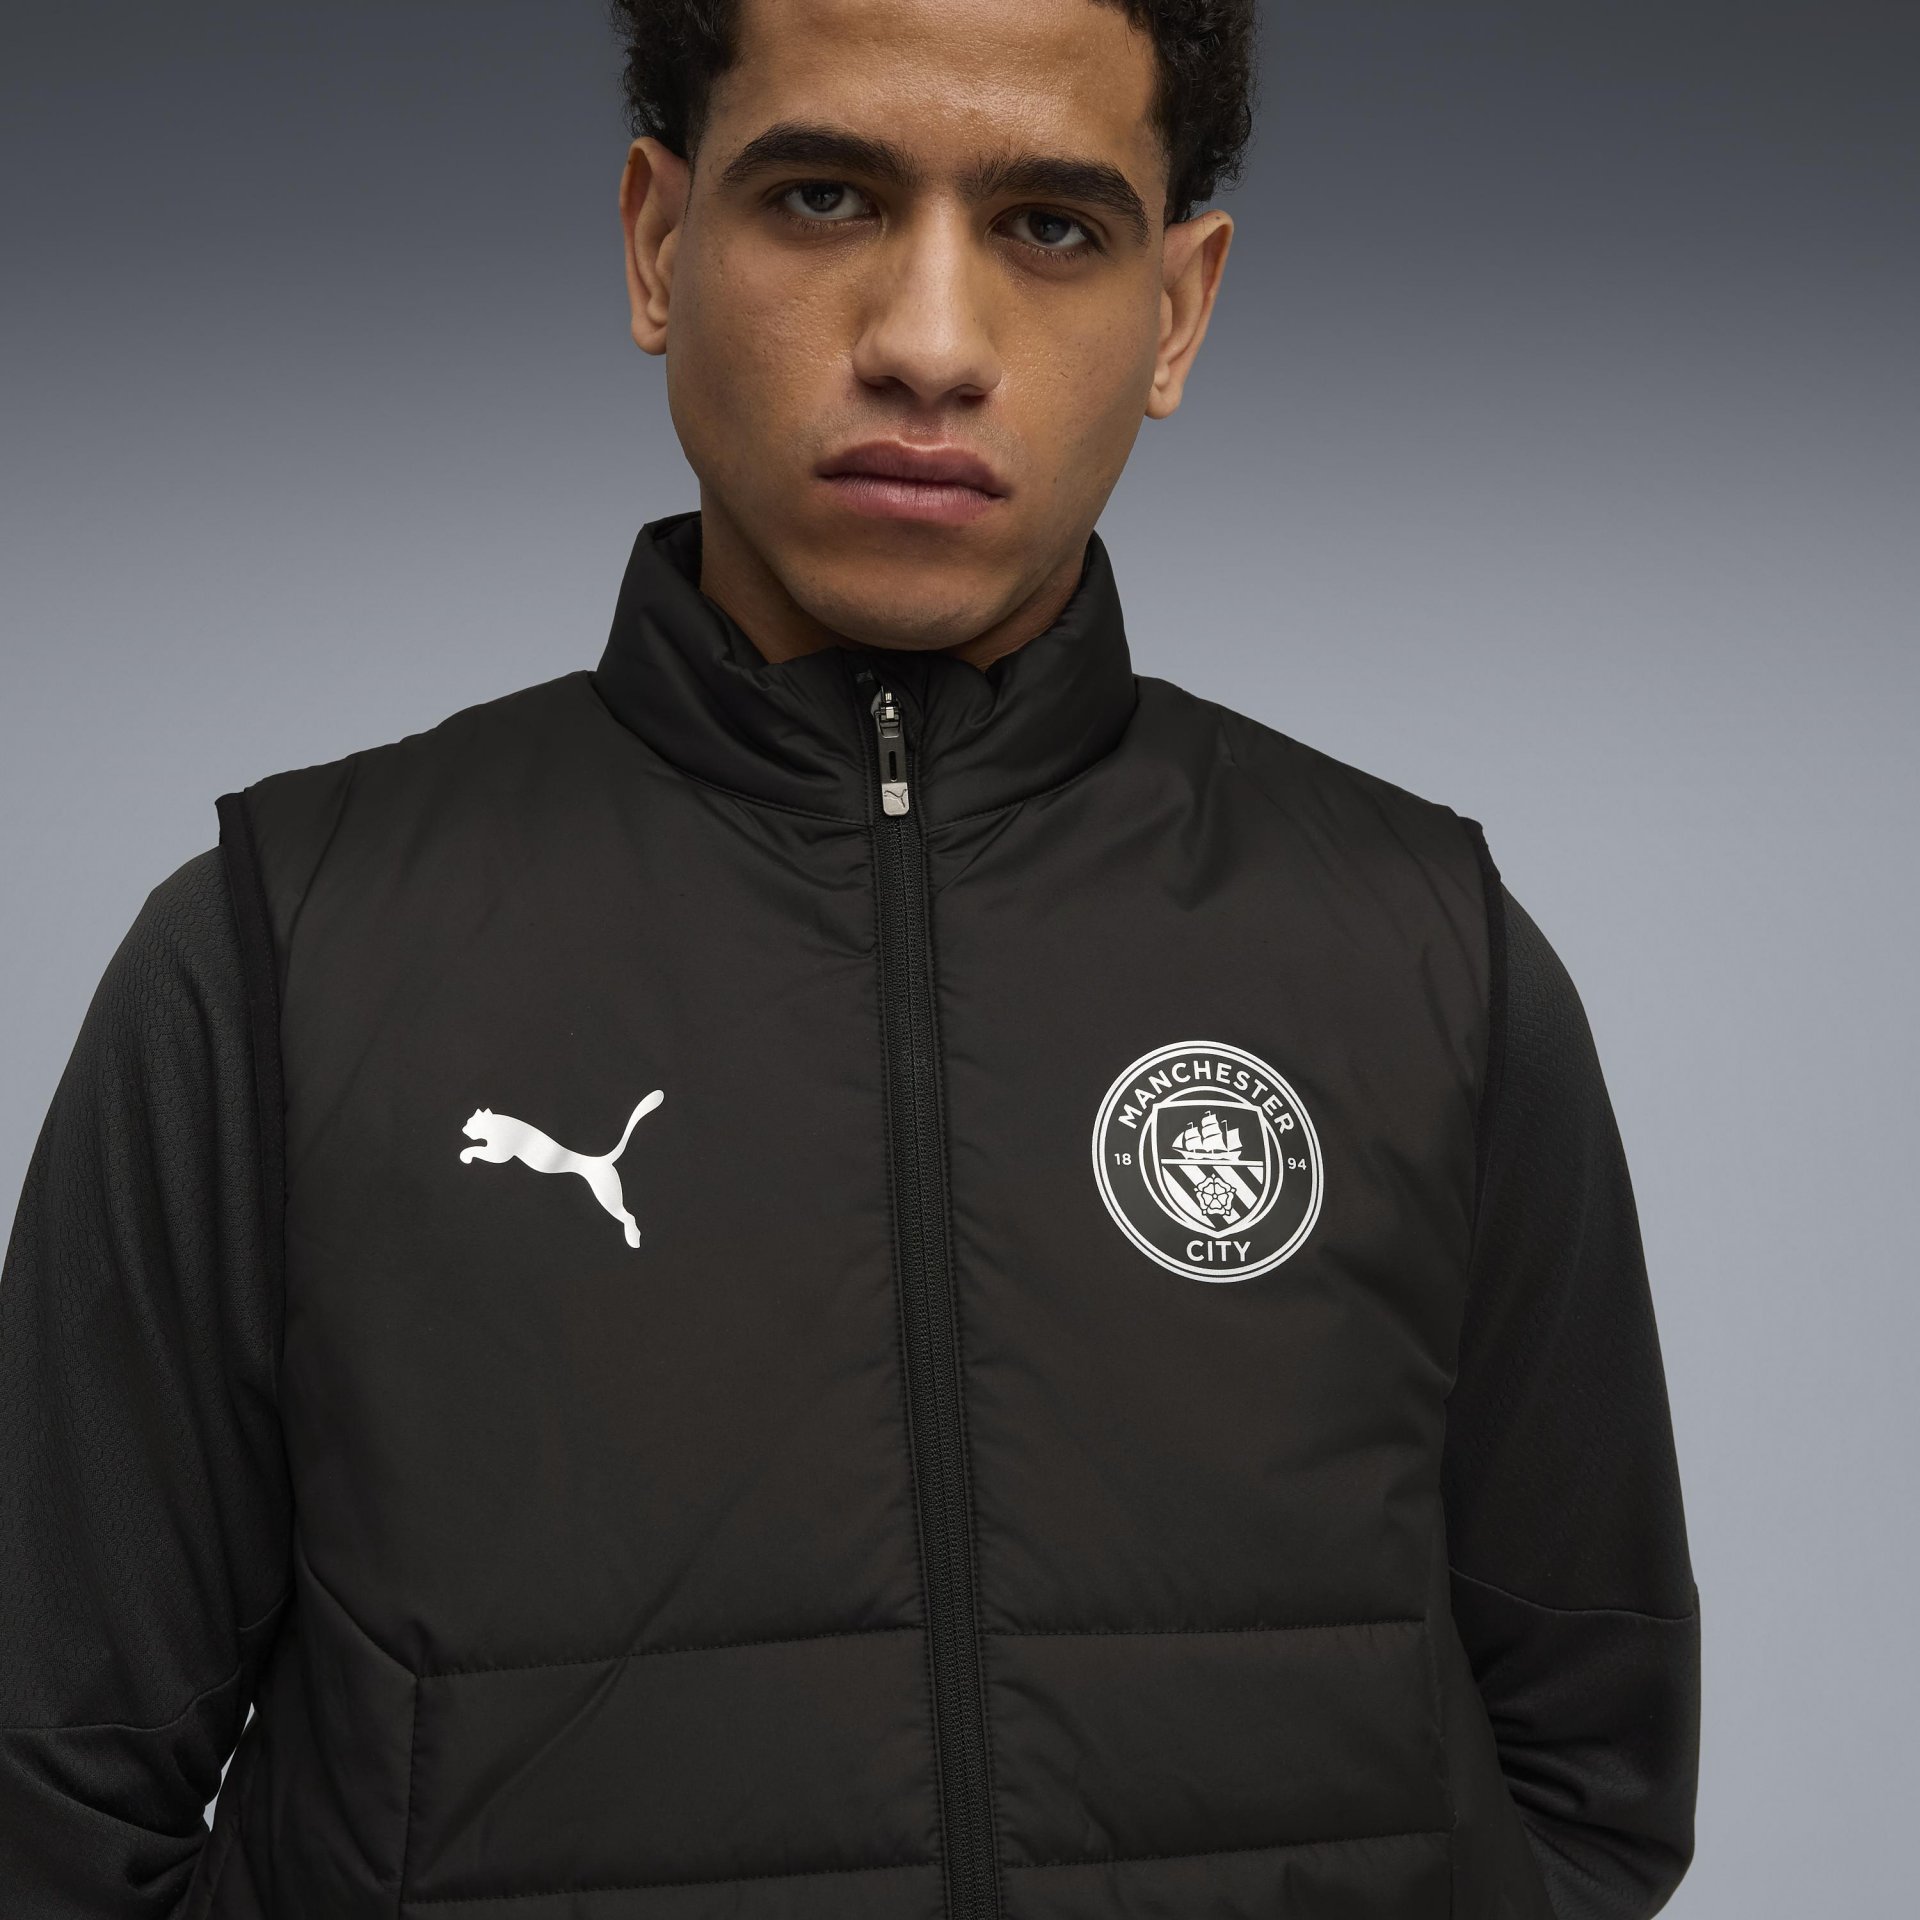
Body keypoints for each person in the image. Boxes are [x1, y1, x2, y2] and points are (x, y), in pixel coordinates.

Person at [0, 1, 1699, 1914]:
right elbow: (47, 1814)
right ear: (661, 242)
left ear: (1178, 309)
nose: (930, 342)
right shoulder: (282, 954)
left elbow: (1589, 1783)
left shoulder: (1424, 952)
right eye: (824, 197)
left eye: (1051, 226)